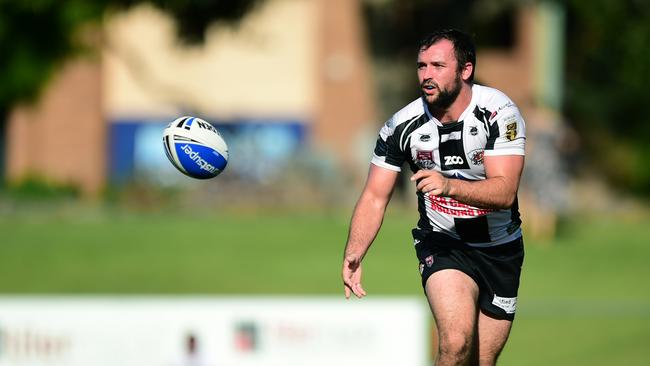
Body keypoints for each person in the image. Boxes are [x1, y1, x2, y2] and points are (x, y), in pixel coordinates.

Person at [341, 29, 526, 366]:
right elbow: (374, 196)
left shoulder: (499, 113)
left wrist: (450, 185)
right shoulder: (402, 125)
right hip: (443, 244)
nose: (426, 75)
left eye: (438, 65)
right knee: (455, 343)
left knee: (481, 361)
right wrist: (355, 252)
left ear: (465, 70)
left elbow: (505, 191)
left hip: (501, 250)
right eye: (421, 66)